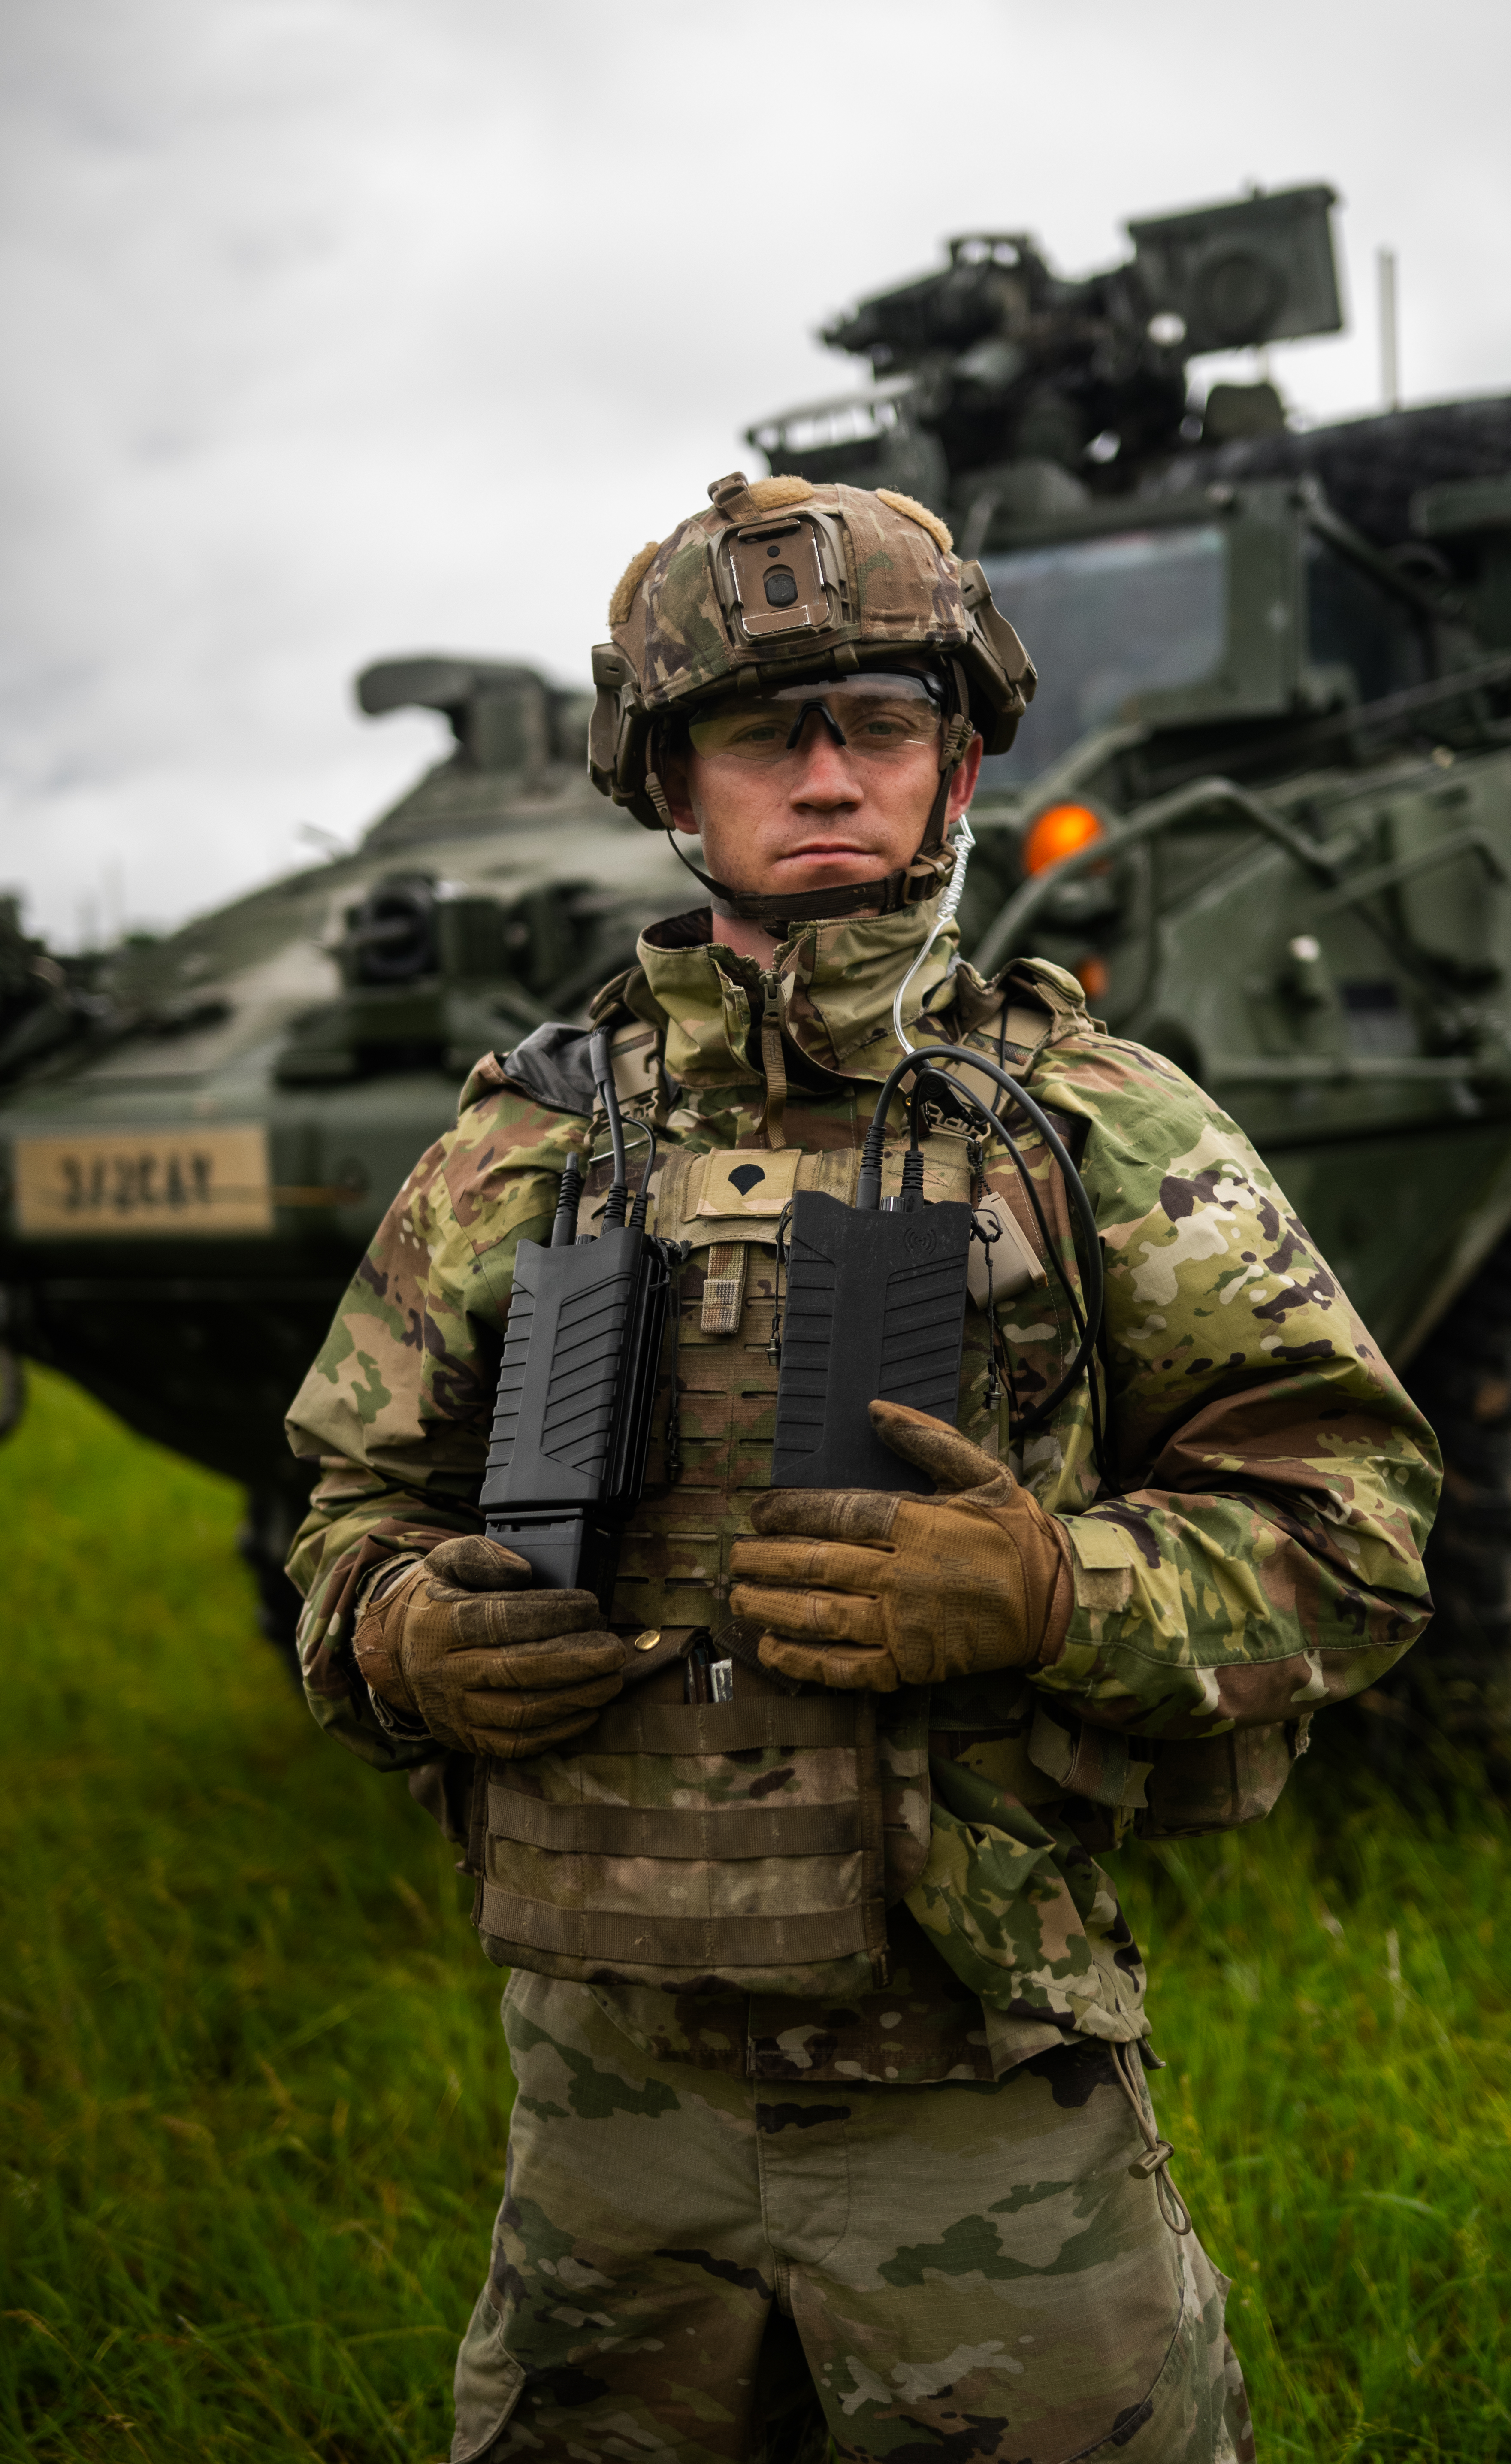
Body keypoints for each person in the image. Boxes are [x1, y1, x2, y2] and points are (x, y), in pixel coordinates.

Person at [285, 469, 1439, 2464]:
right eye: (762, 728)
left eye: (880, 723)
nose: (826, 771)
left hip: (978, 2096)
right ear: (672, 778)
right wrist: (398, 1625)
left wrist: (1055, 1589)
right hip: (603, 2107)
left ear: (960, 756)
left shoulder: (1102, 1128)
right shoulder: (522, 1151)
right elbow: (343, 1505)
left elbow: (1357, 1532)